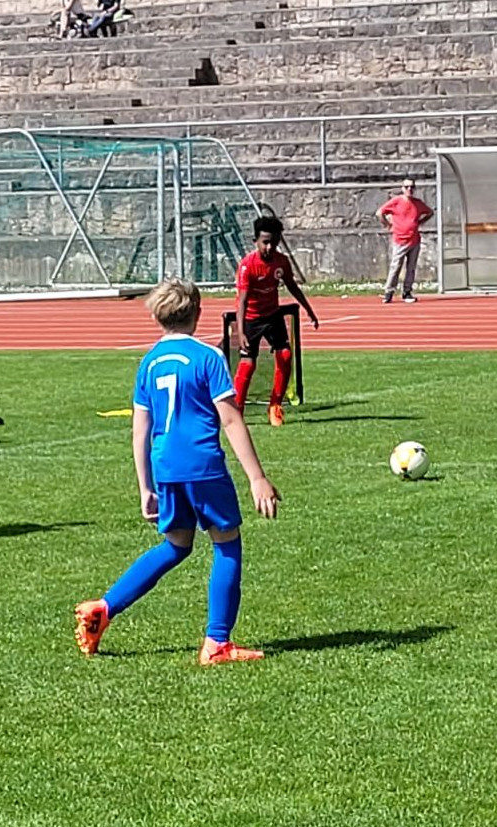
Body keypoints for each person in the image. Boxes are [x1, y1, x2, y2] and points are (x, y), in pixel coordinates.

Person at [74, 279, 280, 665]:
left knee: (177, 545)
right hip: (202, 465)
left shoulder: (149, 362)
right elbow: (230, 419)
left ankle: (104, 608)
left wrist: (145, 487)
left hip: (166, 466)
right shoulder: (209, 357)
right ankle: (217, 643)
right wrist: (256, 477)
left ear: (157, 318)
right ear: (198, 312)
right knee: (227, 544)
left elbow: (140, 428)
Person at [232, 215, 319, 427]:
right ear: (255, 241)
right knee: (247, 364)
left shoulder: (281, 262)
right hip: (251, 319)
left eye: (274, 242)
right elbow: (242, 301)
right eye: (265, 242)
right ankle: (237, 411)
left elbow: (292, 286)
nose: (269, 247)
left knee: (286, 355)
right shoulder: (247, 266)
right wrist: (241, 332)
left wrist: (309, 310)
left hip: (272, 316)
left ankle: (275, 406)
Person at [376, 177, 433, 304]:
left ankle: (407, 292)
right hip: (400, 239)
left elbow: (429, 212)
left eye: (412, 187)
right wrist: (388, 225)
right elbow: (379, 213)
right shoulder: (396, 201)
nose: (409, 189)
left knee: (411, 268)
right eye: (407, 187)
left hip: (414, 240)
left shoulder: (418, 203)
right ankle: (389, 292)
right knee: (395, 266)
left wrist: (419, 222)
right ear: (402, 188)